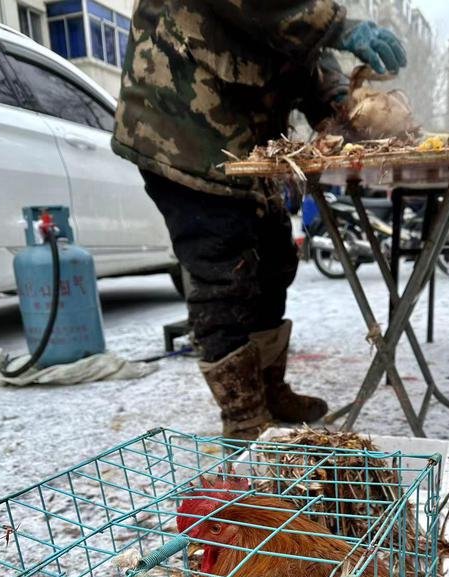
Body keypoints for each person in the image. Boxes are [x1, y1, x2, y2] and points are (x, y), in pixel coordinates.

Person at [112, 2, 406, 439]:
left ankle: (269, 390)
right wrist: (334, 24)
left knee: (275, 259)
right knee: (224, 269)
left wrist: (344, 104)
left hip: (246, 141)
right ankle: (244, 415)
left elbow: (302, 47)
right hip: (182, 126)